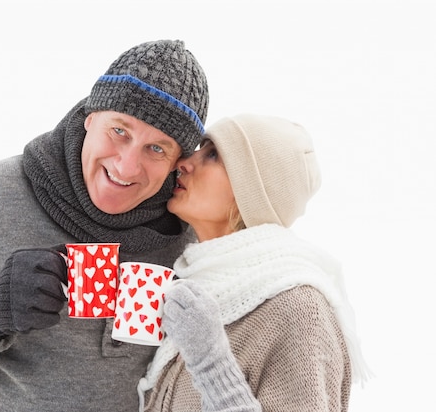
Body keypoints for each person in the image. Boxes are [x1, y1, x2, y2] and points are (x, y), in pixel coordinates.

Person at [0, 39, 209, 412]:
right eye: (119, 131)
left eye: (157, 149)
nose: (126, 166)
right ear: (90, 116)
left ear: (177, 163)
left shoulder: (189, 229)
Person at [139, 114, 371, 412]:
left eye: (212, 155)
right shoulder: (195, 282)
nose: (183, 162)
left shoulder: (298, 310)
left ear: (250, 189)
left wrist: (212, 365)